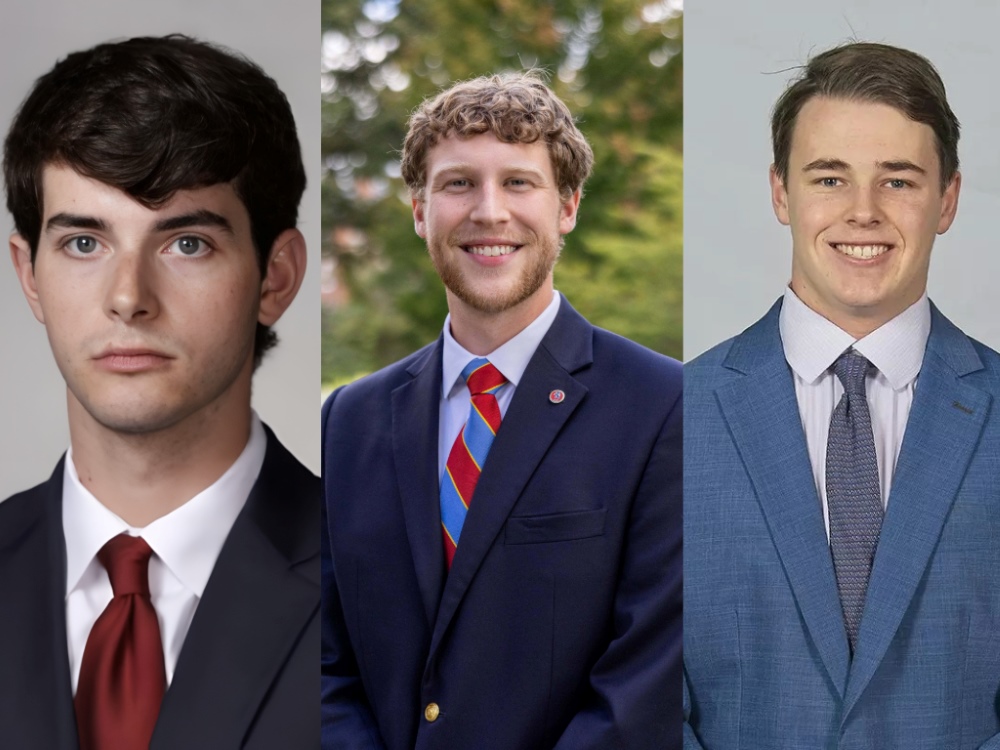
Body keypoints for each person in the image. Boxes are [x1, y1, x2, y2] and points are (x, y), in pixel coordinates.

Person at [322, 71, 682, 749]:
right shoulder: (347, 421)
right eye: (459, 183)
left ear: (567, 206)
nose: (489, 211)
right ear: (419, 210)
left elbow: (645, 686)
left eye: (519, 182)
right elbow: (316, 661)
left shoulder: (666, 409)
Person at [1, 35, 317, 749]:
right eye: (84, 242)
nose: (128, 298)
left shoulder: (370, 573)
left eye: (186, 243)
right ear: (29, 276)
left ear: (276, 277)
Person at [684, 41, 1000, 748]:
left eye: (898, 181)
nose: (863, 212)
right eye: (829, 178)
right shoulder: (668, 420)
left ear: (946, 199)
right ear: (779, 193)